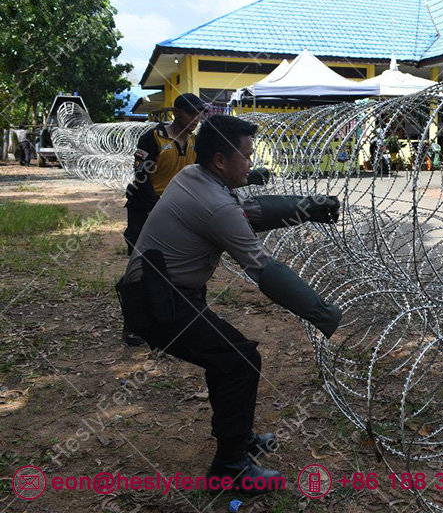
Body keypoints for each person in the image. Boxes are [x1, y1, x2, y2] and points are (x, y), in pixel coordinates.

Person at [115, 115, 342, 490]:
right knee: (239, 360)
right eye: (247, 156)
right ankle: (231, 467)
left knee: (229, 360)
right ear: (221, 160)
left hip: (164, 293)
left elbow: (250, 211)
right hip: (158, 304)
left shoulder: (193, 176)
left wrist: (308, 207)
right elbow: (263, 268)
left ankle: (237, 443)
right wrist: (322, 313)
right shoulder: (213, 203)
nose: (251, 163)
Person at [123, 93, 205, 257]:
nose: (195, 119)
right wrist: (158, 208)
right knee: (143, 259)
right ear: (176, 112)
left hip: (177, 208)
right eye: (190, 113)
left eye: (198, 114)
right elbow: (142, 177)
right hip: (146, 209)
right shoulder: (154, 138)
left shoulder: (195, 143)